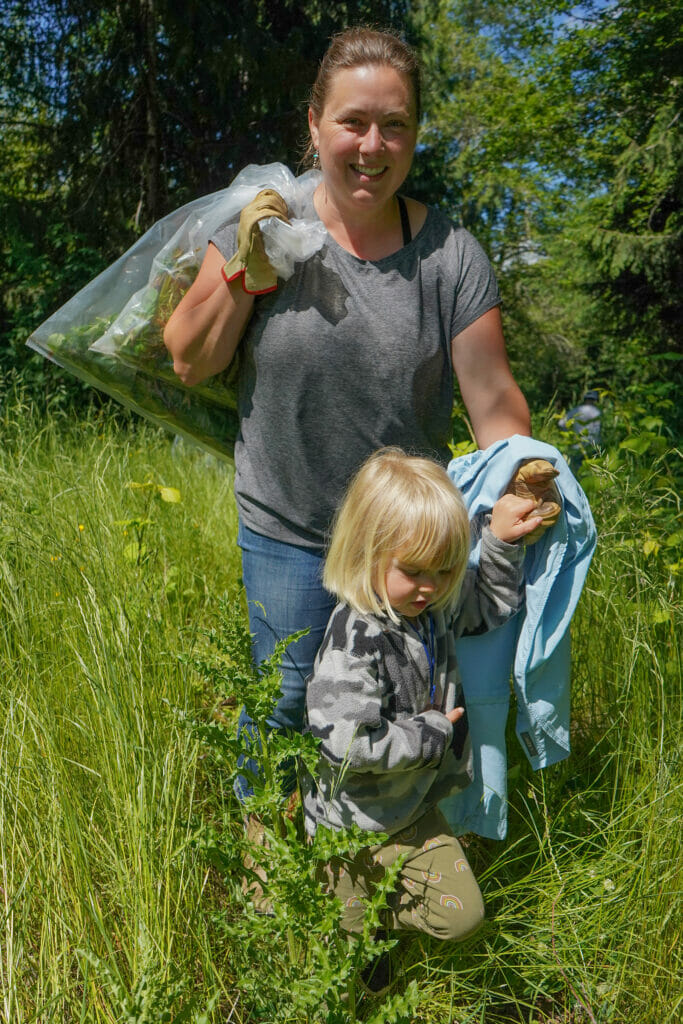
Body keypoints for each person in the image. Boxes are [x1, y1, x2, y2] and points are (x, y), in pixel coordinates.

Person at [163, 27, 532, 796]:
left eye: (393, 125)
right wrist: (245, 273)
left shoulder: (449, 256)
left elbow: (492, 399)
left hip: (405, 550)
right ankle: (268, 879)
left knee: (396, 710)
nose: (372, 144)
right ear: (313, 126)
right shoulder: (261, 221)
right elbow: (188, 359)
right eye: (353, 122)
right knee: (287, 706)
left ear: (415, 134)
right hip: (288, 532)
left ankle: (367, 869)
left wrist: (525, 474)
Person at [302, 448, 541, 989]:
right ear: (367, 553)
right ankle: (369, 945)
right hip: (349, 832)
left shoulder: (429, 608)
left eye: (445, 569)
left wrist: (499, 541)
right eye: (414, 571)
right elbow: (346, 746)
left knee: (463, 916)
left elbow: (490, 606)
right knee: (346, 966)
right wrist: (430, 733)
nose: (432, 586)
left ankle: (386, 915)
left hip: (412, 817)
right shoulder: (353, 641)